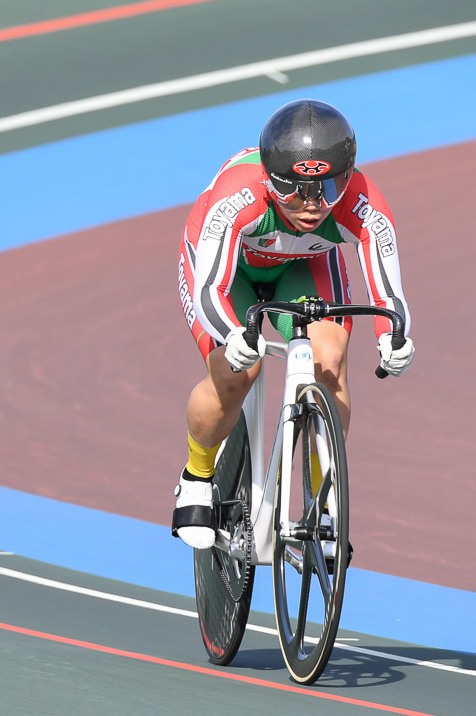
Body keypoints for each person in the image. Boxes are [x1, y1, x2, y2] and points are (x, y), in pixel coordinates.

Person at [172, 98, 413, 548]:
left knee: (329, 359)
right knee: (236, 371)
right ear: (269, 180)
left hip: (301, 270)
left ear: (347, 177)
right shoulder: (238, 194)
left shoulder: (363, 201)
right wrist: (232, 336)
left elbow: (388, 290)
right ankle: (197, 476)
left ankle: (323, 502)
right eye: (294, 190)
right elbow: (210, 289)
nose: (312, 205)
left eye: (328, 189)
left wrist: (394, 337)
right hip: (230, 274)